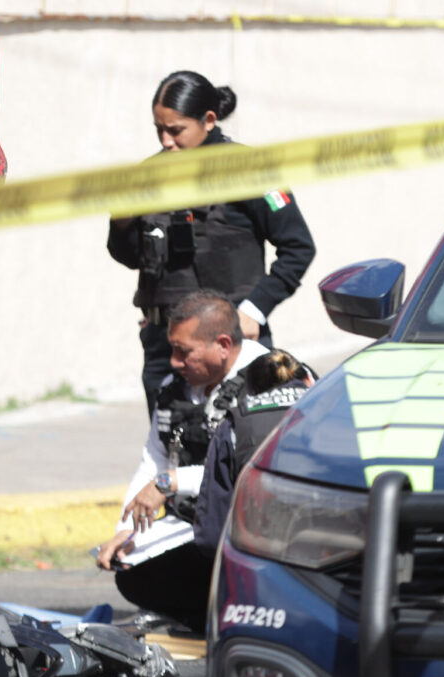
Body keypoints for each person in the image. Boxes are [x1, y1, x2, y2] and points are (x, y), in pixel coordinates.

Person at [107, 70, 316, 415]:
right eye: (159, 129)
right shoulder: (148, 174)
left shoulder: (249, 169)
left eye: (176, 130)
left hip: (232, 345)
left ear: (208, 120)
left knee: (241, 452)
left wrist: (254, 310)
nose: (166, 141)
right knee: (173, 450)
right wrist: (122, 222)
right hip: (168, 347)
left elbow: (298, 247)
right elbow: (129, 256)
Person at [95, 290, 267, 634]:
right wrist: (126, 529)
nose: (173, 361)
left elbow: (248, 472)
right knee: (133, 572)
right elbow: (154, 457)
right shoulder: (179, 386)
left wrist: (171, 482)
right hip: (200, 524)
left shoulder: (270, 382)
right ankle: (202, 625)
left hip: (257, 532)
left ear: (222, 344)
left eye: (183, 351)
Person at [192, 349, 315, 554]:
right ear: (306, 379)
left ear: (251, 391)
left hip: (264, 555)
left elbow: (212, 531)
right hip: (336, 551)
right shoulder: (333, 409)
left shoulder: (233, 427)